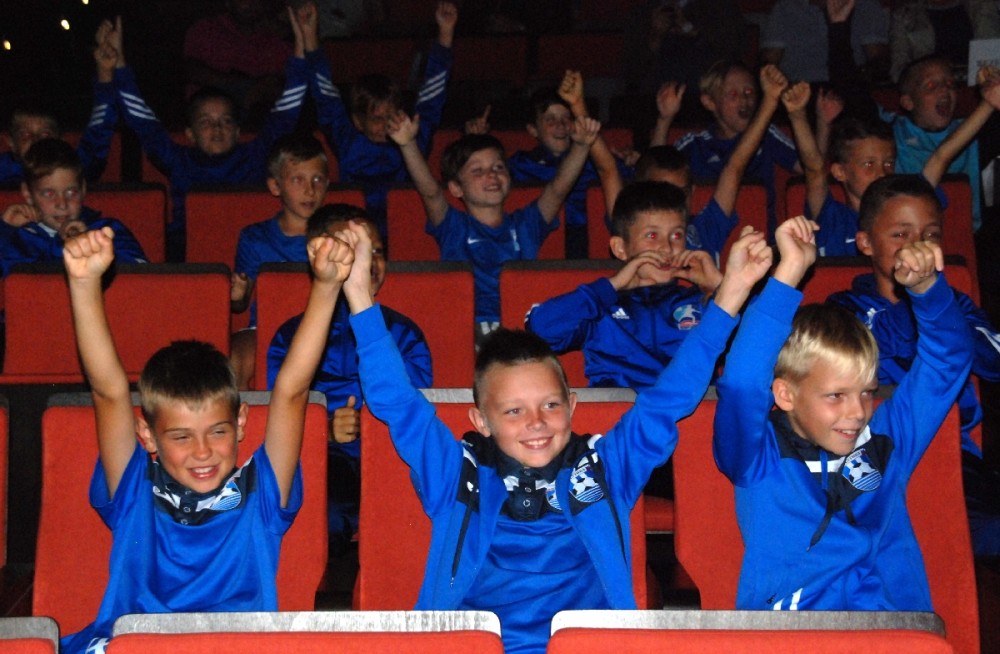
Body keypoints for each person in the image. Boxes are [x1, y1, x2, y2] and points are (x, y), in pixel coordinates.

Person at [343, 214, 773, 653]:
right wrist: (358, 293)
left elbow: (669, 397)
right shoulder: (457, 473)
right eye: (514, 411)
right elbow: (398, 402)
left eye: (550, 405)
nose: (536, 422)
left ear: (572, 406)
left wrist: (731, 293)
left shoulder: (607, 469)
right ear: (481, 421)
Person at [58, 216, 351, 654]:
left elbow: (292, 391)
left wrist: (326, 287)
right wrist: (84, 285)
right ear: (148, 436)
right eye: (181, 437)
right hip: (135, 645)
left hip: (232, 647)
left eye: (217, 432)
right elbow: (108, 391)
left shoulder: (260, 494)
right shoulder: (135, 488)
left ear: (241, 423)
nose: (202, 452)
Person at [714, 214, 973, 610]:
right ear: (785, 394)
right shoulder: (757, 455)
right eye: (836, 396)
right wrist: (789, 273)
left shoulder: (886, 439)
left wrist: (927, 289)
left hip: (889, 628)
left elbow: (947, 361)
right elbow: (742, 382)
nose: (858, 412)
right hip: (794, 632)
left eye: (867, 392)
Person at [828, 174, 1000, 555]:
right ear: (866, 243)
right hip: (871, 458)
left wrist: (935, 301)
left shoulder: (955, 305)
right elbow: (866, 353)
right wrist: (920, 296)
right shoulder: (843, 310)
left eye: (930, 235)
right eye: (900, 235)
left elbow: (993, 360)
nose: (917, 246)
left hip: (952, 459)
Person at [267, 205, 431, 552]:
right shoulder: (292, 336)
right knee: (325, 505)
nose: (369, 262)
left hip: (390, 457)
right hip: (320, 459)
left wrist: (367, 427)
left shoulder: (405, 333)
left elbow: (417, 413)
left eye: (377, 252)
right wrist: (325, 430)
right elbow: (279, 414)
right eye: (355, 250)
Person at [109, 5, 317, 260]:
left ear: (238, 131)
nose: (217, 128)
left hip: (250, 255)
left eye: (225, 121)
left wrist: (300, 48)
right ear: (190, 133)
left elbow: (287, 112)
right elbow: (142, 121)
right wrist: (118, 64)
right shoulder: (178, 160)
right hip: (192, 257)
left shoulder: (256, 155)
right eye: (206, 122)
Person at [389, 111, 599, 339]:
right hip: (472, 327)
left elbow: (557, 190)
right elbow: (430, 193)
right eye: (478, 171)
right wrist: (408, 144)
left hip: (522, 323)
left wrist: (581, 146)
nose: (491, 175)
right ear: (456, 188)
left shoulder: (526, 224)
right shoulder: (454, 226)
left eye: (498, 167)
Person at [786, 65, 1000, 255]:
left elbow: (942, 156)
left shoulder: (905, 208)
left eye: (888, 164)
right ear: (840, 172)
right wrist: (797, 116)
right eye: (869, 164)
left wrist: (988, 104)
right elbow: (814, 169)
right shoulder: (831, 216)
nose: (882, 173)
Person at [526, 181, 720, 389]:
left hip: (691, 406)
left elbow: (746, 353)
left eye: (677, 235)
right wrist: (611, 286)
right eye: (652, 235)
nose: (667, 247)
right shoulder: (600, 305)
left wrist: (719, 287)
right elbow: (540, 331)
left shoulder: (700, 301)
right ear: (620, 249)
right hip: (620, 406)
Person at [600, 65, 791, 262]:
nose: (672, 200)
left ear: (691, 193)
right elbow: (608, 170)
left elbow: (734, 168)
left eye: (679, 193)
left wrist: (770, 100)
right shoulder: (633, 227)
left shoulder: (705, 229)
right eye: (662, 193)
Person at [310, 2, 457, 242]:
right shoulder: (348, 141)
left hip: (406, 231)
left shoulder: (413, 139)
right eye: (376, 119)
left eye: (391, 116)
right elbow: (325, 96)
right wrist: (310, 38)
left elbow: (433, 96)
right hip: (356, 235)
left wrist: (445, 34)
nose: (385, 125)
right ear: (358, 122)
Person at [229, 134, 331, 388]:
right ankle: (239, 411)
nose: (310, 190)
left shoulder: (337, 232)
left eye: (317, 179)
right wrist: (237, 294)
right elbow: (240, 303)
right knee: (237, 354)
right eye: (298, 180)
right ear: (276, 186)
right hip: (266, 327)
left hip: (325, 325)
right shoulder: (255, 237)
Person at [507, 76, 631, 259]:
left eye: (566, 118)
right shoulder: (520, 164)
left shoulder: (594, 160)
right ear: (533, 129)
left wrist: (633, 159)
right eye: (550, 119)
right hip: (542, 247)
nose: (561, 125)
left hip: (596, 242)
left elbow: (618, 174)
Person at [671, 60, 800, 233]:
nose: (744, 100)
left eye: (749, 92)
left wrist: (803, 116)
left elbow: (810, 167)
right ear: (709, 102)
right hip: (709, 241)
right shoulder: (694, 144)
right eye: (733, 94)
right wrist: (665, 119)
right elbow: (651, 178)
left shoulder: (767, 134)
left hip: (761, 241)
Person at [0, 139, 146, 275]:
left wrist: (86, 243)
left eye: (71, 192)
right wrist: (4, 231)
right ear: (28, 193)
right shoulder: (18, 236)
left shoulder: (106, 231)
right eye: (49, 193)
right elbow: (14, 282)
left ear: (83, 189)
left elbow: (137, 276)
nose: (62, 204)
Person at [0, 21, 121, 185]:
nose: (36, 140)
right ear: (11, 142)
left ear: (59, 139)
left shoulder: (73, 169)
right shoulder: (4, 171)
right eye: (25, 135)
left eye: (45, 134)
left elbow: (99, 133)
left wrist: (105, 72)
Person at [884, 56, 998, 230]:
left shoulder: (976, 129)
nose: (945, 89)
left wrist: (993, 86)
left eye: (950, 83)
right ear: (908, 102)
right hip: (909, 235)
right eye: (931, 86)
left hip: (969, 236)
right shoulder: (889, 134)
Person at [182, 0, 293, 126]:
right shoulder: (207, 29)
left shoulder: (275, 39)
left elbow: (289, 83)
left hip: (259, 122)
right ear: (228, 3)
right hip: (208, 121)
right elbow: (191, 71)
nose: (251, 4)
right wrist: (243, 86)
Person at [760, 0, 889, 84]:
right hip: (797, 91)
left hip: (848, 89)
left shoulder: (865, 6)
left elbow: (878, 60)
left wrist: (859, 77)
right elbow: (769, 63)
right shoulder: (785, 8)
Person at [889, 0, 1000, 83]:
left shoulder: (984, 6)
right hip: (930, 93)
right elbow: (899, 70)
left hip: (983, 85)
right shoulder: (905, 15)